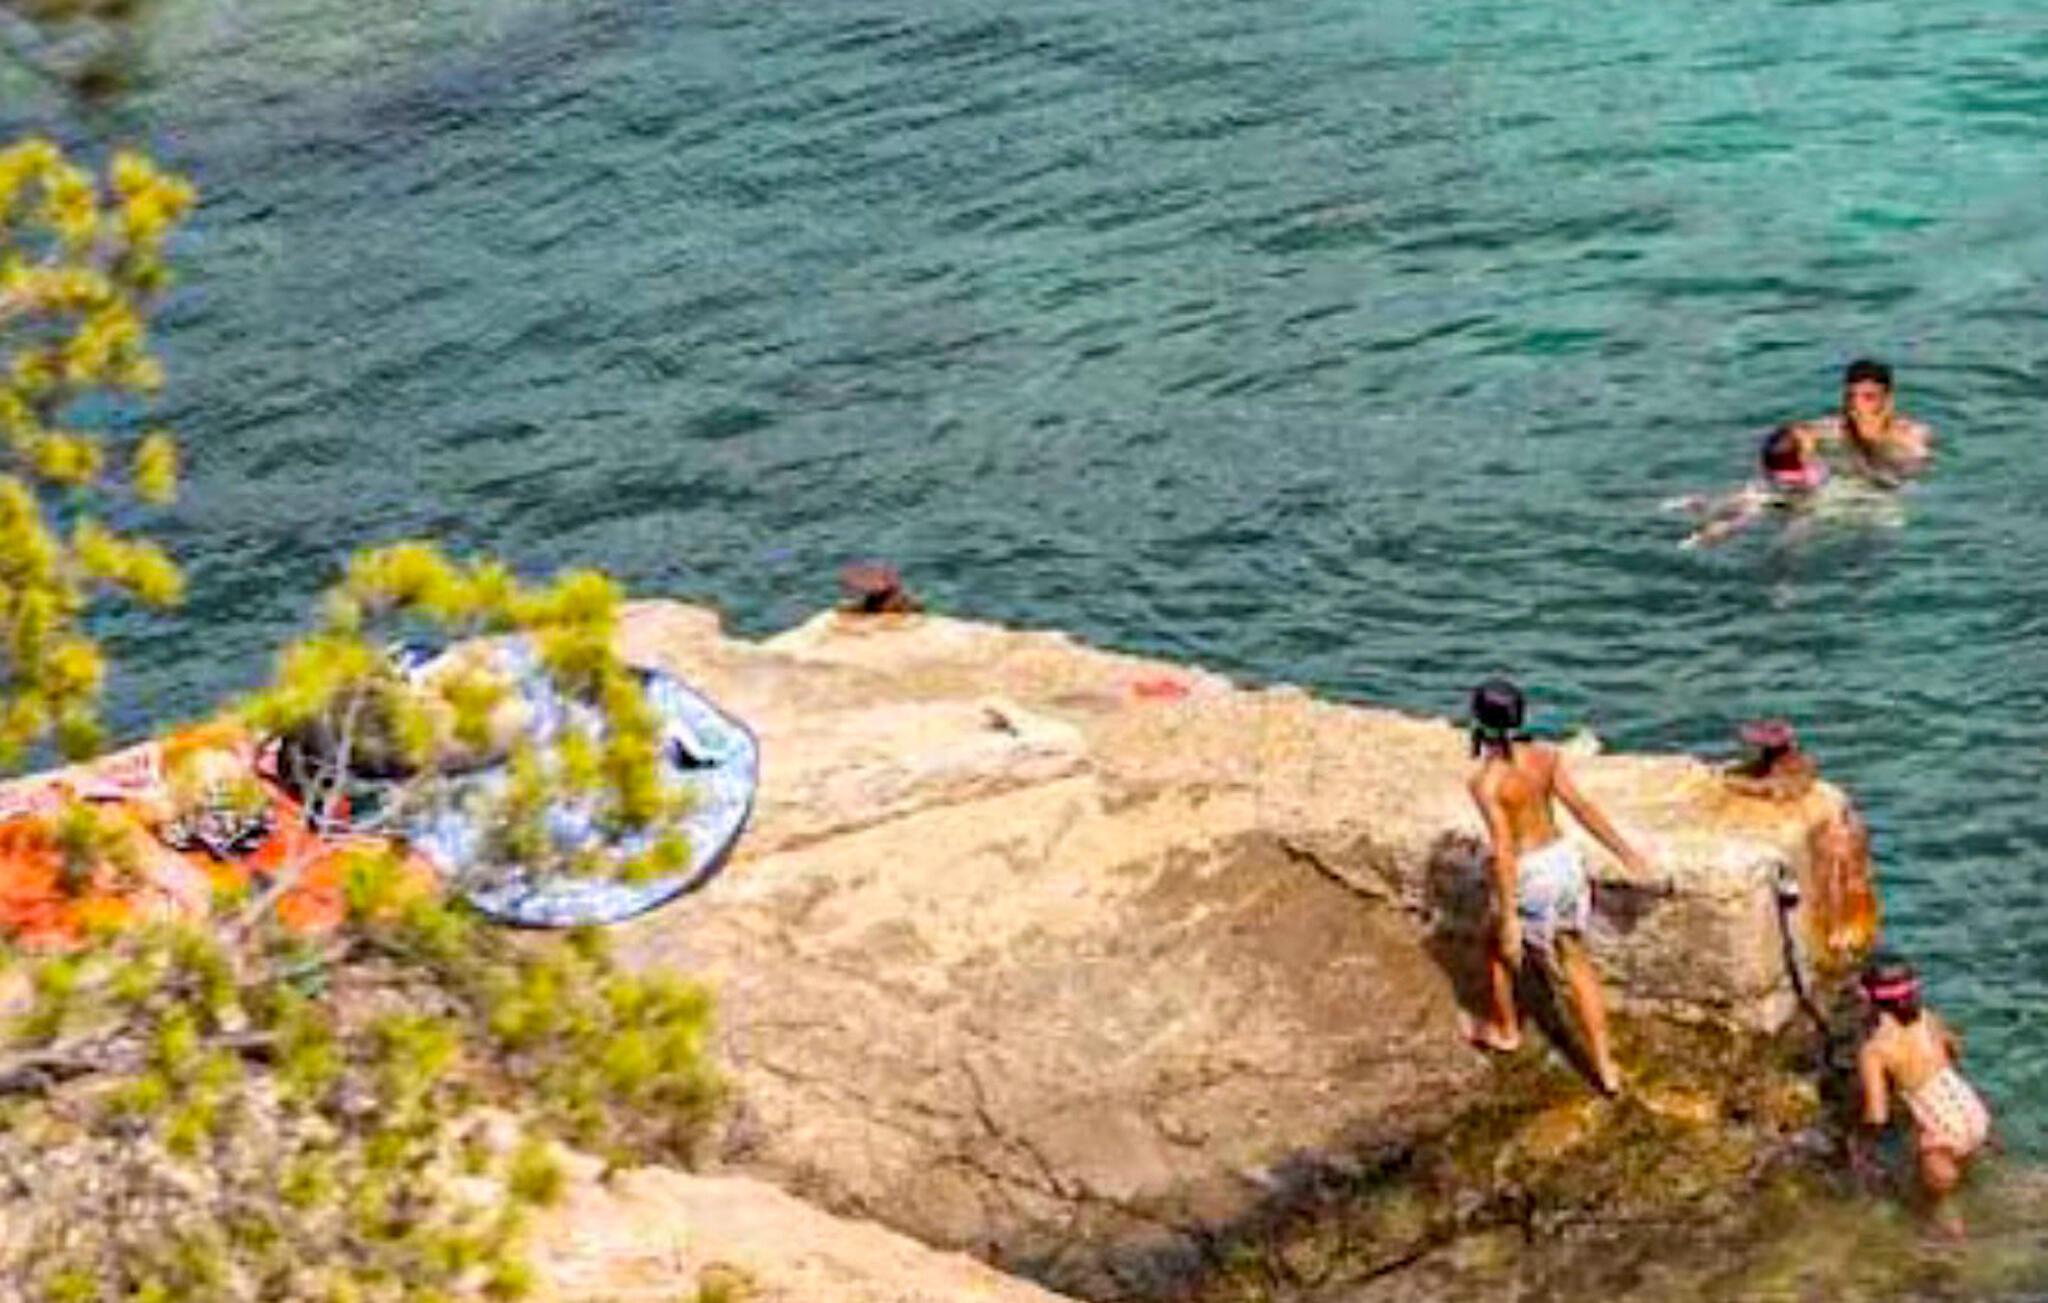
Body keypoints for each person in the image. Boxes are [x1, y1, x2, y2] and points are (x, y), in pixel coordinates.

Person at [1463, 678, 1656, 1094]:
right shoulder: (1545, 757)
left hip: (1532, 872)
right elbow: (1582, 807)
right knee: (1576, 959)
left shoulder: (1487, 783)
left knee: (1494, 946)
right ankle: (1605, 1066)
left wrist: (1510, 917)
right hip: (1565, 861)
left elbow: (1504, 848)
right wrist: (1626, 853)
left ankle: (1506, 1031)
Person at [1854, 953, 1992, 1239]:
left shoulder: (1875, 1049)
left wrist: (1860, 1143)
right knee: (1968, 1160)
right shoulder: (1929, 1019)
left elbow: (1877, 1114)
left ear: (1869, 1000)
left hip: (1941, 1127)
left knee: (1940, 1199)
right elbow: (1955, 1050)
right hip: (1972, 1108)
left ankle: (1949, 1230)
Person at [1673, 425, 1831, 549]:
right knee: (1739, 523)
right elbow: (1816, 483)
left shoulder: (1773, 466)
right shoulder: (1811, 472)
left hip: (1759, 490)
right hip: (1780, 500)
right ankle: (1699, 539)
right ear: (1802, 455)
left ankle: (1694, 507)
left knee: (1724, 504)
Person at [1795, 358, 1933, 487]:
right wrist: (1806, 449)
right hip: (1840, 484)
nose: (1857, 405)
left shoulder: (1912, 434)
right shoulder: (1835, 426)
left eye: (1868, 397)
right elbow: (1798, 434)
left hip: (1883, 490)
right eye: (1851, 396)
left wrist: (1872, 442)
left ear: (1887, 400)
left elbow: (1907, 478)